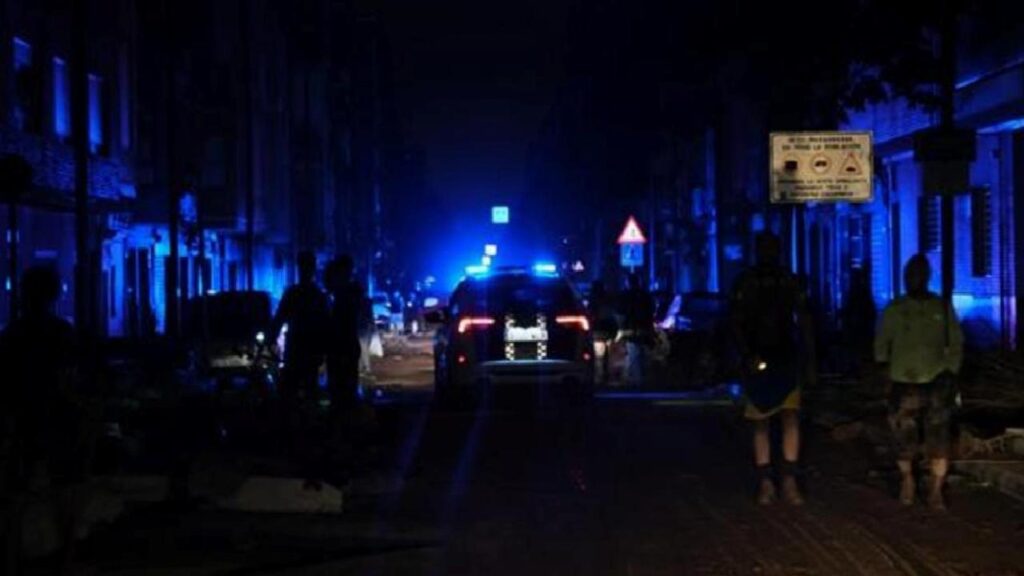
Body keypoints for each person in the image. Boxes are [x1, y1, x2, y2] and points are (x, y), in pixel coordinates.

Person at [1, 267, 88, 572]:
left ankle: (13, 558)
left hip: (26, 420)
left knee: (17, 495)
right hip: (56, 421)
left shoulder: (13, 335)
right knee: (63, 493)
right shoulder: (61, 334)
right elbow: (72, 380)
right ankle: (65, 559)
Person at [731, 232, 815, 506]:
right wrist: (745, 355)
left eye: (772, 248)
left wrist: (809, 358)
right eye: (764, 248)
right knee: (761, 421)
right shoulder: (746, 282)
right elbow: (735, 322)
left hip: (786, 356)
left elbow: (804, 320)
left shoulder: (789, 281)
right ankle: (766, 481)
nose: (768, 253)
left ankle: (788, 479)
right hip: (757, 357)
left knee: (790, 417)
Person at [875, 254, 963, 510]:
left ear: (927, 277)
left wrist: (950, 372)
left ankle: (936, 490)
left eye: (919, 274)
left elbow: (956, 342)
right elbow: (881, 345)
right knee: (904, 439)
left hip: (937, 381)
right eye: (910, 274)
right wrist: (885, 376)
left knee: (939, 438)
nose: (914, 279)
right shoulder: (895, 309)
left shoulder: (941, 308)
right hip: (903, 381)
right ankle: (908, 481)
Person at [270, 251, 329, 484]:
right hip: (304, 352)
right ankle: (300, 436)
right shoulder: (311, 295)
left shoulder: (303, 294)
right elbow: (280, 318)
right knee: (298, 394)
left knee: (294, 394)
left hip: (302, 351)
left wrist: (272, 337)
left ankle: (298, 437)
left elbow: (280, 318)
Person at [324, 255, 364, 422]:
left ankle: (345, 419)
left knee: (343, 386)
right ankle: (344, 418)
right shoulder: (340, 294)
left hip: (343, 346)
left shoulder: (347, 293)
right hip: (340, 347)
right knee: (342, 387)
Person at [619, 273, 655, 386]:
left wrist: (621, 328)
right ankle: (644, 379)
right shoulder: (646, 295)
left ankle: (637, 380)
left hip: (631, 330)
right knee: (643, 355)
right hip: (644, 329)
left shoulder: (625, 296)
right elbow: (652, 311)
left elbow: (621, 313)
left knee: (634, 354)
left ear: (628, 283)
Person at [588, 280, 618, 386]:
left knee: (598, 356)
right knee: (607, 356)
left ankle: (599, 377)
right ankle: (606, 376)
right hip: (608, 331)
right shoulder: (608, 300)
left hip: (598, 331)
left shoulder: (593, 300)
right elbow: (612, 316)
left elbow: (591, 315)